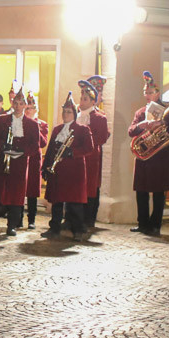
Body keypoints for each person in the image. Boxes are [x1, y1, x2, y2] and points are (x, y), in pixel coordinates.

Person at [128, 70, 169, 236]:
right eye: (145, 92)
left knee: (159, 192)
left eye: (150, 92)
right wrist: (142, 126)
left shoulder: (168, 109)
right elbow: (131, 131)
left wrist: (162, 121)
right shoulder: (140, 112)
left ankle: (155, 225)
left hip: (161, 156)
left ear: (158, 93)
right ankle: (143, 223)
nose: (147, 95)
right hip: (145, 155)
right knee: (142, 190)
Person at [0, 84, 38, 237]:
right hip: (2, 161)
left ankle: (11, 226)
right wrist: (3, 145)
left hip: (19, 164)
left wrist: (22, 151)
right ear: (12, 104)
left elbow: (35, 146)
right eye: (16, 103)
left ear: (25, 105)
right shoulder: (2, 120)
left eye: (21, 104)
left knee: (16, 195)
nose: (18, 106)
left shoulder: (32, 125)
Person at [41, 92, 94, 241]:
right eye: (64, 111)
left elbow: (89, 148)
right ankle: (54, 228)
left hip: (74, 173)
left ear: (75, 114)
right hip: (57, 171)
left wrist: (73, 152)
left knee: (75, 204)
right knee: (56, 202)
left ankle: (77, 230)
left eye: (69, 112)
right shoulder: (57, 130)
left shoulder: (83, 129)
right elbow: (51, 149)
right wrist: (45, 167)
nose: (65, 114)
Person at [78, 75, 110, 229]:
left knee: (91, 187)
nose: (82, 100)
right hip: (77, 157)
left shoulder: (98, 117)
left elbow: (102, 136)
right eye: (81, 97)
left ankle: (88, 219)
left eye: (86, 97)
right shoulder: (76, 114)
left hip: (91, 156)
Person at [22, 91, 48, 229]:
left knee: (32, 191)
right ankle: (18, 217)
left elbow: (43, 143)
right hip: (21, 158)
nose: (29, 110)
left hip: (34, 160)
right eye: (27, 108)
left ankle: (31, 219)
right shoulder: (20, 122)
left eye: (31, 108)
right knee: (20, 189)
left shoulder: (42, 125)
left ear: (36, 109)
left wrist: (35, 128)